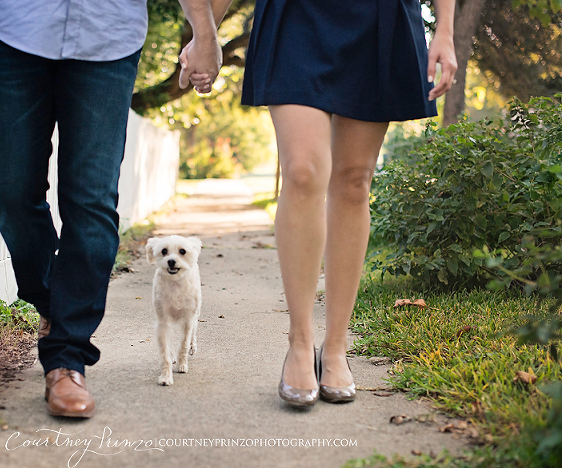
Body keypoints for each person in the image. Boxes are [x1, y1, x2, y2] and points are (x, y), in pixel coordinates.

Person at [0, 0, 223, 418]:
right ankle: (53, 302)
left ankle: (67, 359)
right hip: (14, 30)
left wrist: (204, 31)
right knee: (12, 192)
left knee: (91, 203)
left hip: (108, 40)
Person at [191, 0, 457, 407]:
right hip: (297, 16)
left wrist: (445, 30)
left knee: (353, 181)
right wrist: (206, 32)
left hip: (378, 18)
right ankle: (300, 342)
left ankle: (335, 346)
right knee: (302, 171)